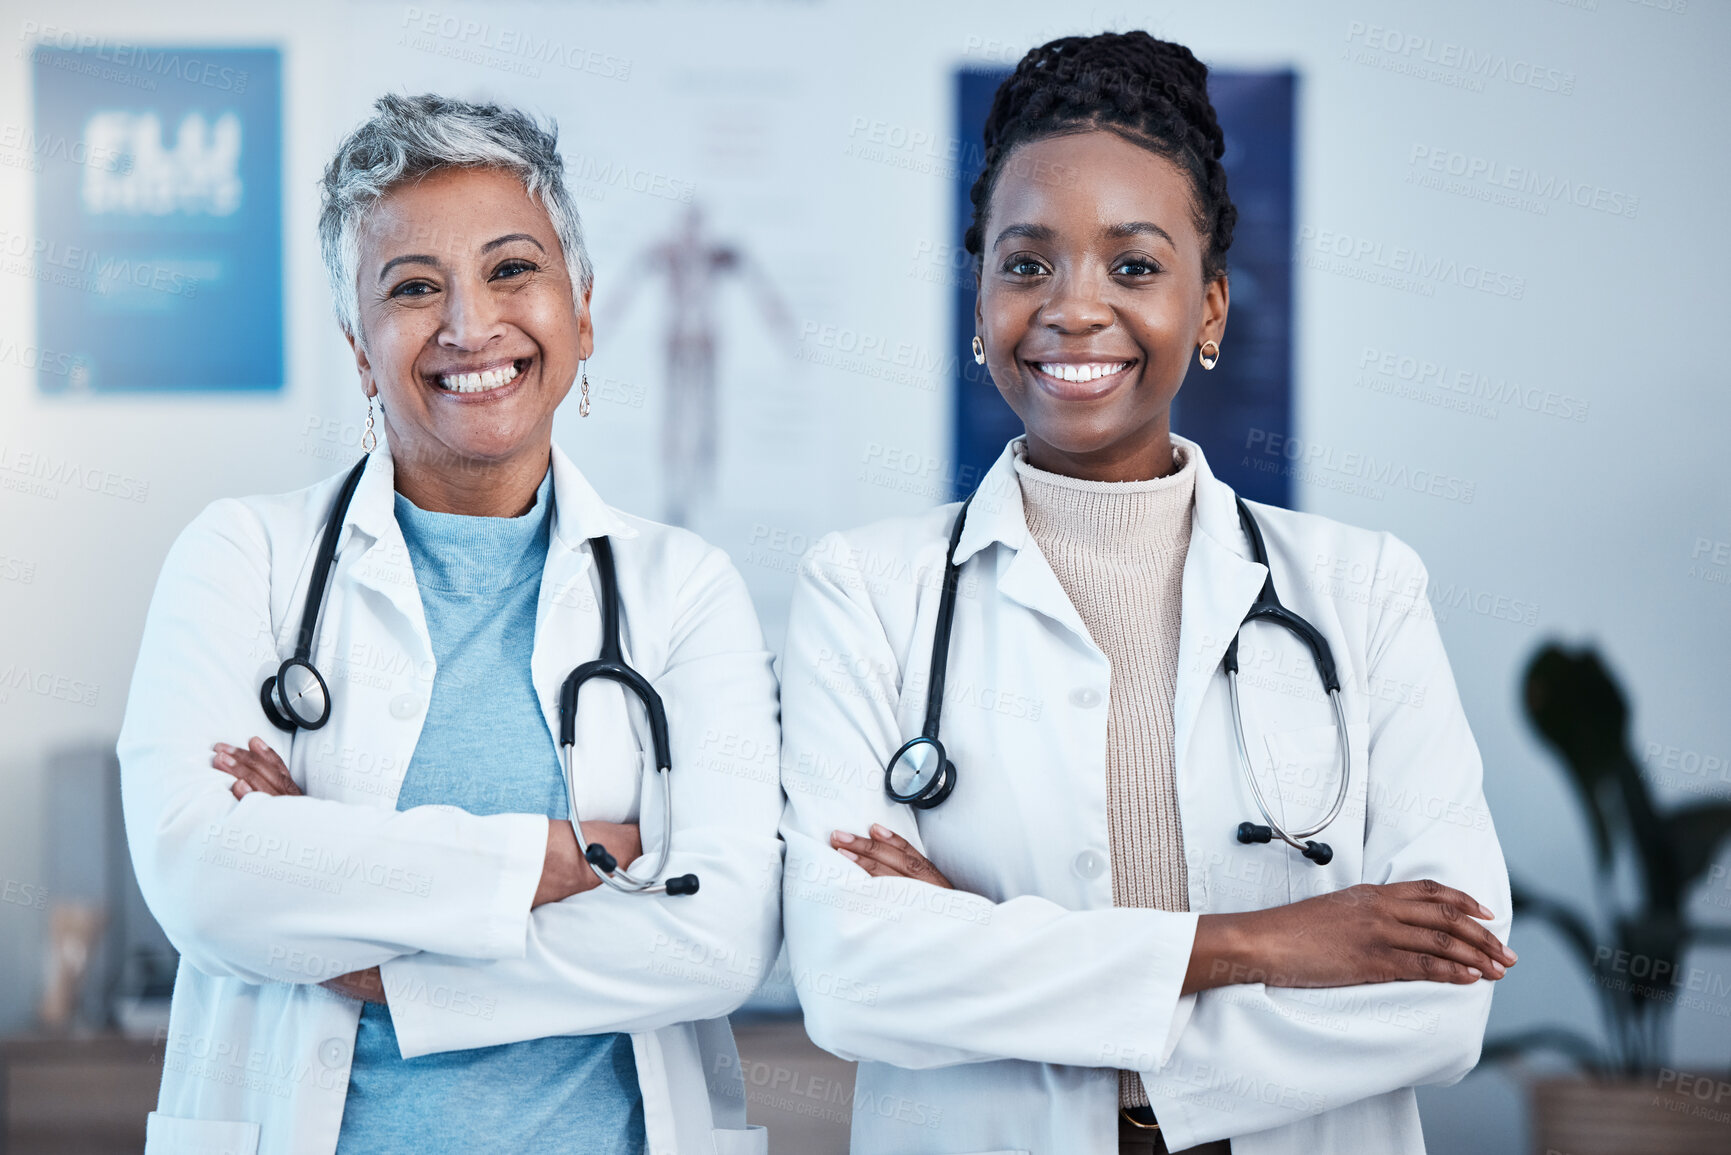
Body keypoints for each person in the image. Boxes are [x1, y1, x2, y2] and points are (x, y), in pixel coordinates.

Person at [778, 32, 1513, 1155]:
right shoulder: (864, 589)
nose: (1075, 308)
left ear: (1210, 307)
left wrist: (983, 945)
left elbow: (1447, 988)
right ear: (978, 302)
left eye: (1134, 266)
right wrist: (1261, 944)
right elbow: (851, 977)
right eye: (1026, 265)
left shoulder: (1362, 589)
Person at [118, 94, 779, 1155]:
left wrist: (378, 953)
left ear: (584, 311)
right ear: (360, 347)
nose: (471, 326)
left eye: (512, 269)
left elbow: (718, 936)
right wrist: (564, 860)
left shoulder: (683, 591)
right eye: (414, 287)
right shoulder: (242, 558)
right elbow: (201, 875)